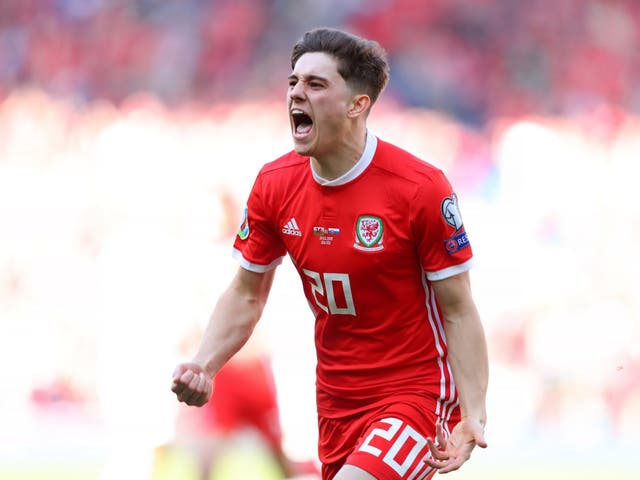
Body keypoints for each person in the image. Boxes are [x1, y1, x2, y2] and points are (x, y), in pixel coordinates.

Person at [172, 27, 489, 480]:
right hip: (336, 405)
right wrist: (204, 364)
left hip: (414, 397)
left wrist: (472, 412)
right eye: (294, 82)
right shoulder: (275, 184)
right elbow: (246, 294)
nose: (296, 93)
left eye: (316, 85)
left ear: (358, 105)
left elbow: (458, 309)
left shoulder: (419, 188)